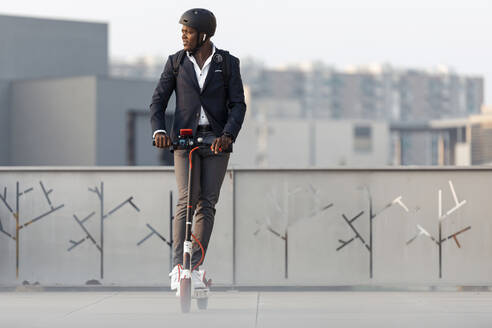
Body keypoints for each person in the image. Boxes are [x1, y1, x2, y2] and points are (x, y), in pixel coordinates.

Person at [149, 8, 246, 294]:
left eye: (188, 32)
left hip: (216, 142)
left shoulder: (227, 63)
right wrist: (160, 132)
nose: (183, 36)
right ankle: (179, 267)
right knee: (186, 202)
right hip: (184, 141)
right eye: (182, 31)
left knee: (207, 203)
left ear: (203, 35)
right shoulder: (175, 63)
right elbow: (157, 103)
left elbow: (238, 105)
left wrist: (228, 135)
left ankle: (195, 267)